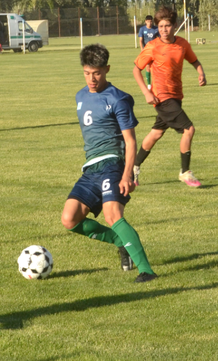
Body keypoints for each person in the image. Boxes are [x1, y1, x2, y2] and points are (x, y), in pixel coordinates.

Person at [60, 43, 157, 283]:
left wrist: (127, 175)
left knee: (113, 215)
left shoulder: (119, 99)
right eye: (87, 73)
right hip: (90, 168)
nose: (91, 78)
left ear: (107, 69)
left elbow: (131, 141)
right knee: (69, 219)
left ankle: (147, 271)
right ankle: (122, 243)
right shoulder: (80, 96)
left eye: (97, 73)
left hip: (113, 164)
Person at [132, 7, 207, 188]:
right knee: (189, 129)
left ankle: (132, 168)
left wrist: (201, 73)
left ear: (174, 26)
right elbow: (136, 69)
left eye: (167, 26)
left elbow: (194, 60)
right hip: (161, 97)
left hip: (176, 95)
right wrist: (146, 92)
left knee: (156, 133)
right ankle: (185, 172)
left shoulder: (182, 44)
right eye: (161, 26)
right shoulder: (152, 47)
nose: (164, 30)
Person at [137, 15, 159, 89]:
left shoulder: (156, 29)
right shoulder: (142, 29)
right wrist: (142, 49)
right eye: (148, 21)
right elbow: (140, 40)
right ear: (145, 21)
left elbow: (159, 39)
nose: (149, 23)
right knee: (148, 67)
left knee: (155, 67)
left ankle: (156, 83)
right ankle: (149, 84)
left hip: (155, 51)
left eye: (151, 21)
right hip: (147, 51)